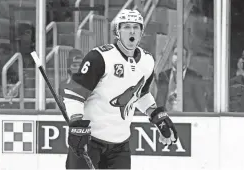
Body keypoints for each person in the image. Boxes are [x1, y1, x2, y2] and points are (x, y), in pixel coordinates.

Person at [59, 9, 178, 169]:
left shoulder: (147, 61)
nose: (132, 31)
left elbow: (141, 94)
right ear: (118, 31)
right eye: (126, 27)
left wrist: (157, 117)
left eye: (136, 27)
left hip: (120, 146)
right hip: (90, 141)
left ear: (141, 32)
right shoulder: (100, 58)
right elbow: (74, 94)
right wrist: (76, 123)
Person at [156, 47, 208, 112]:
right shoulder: (163, 75)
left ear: (186, 58)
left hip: (186, 118)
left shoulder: (195, 77)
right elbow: (159, 101)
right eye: (175, 54)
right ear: (171, 57)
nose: (178, 57)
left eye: (181, 55)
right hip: (167, 118)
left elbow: (201, 103)